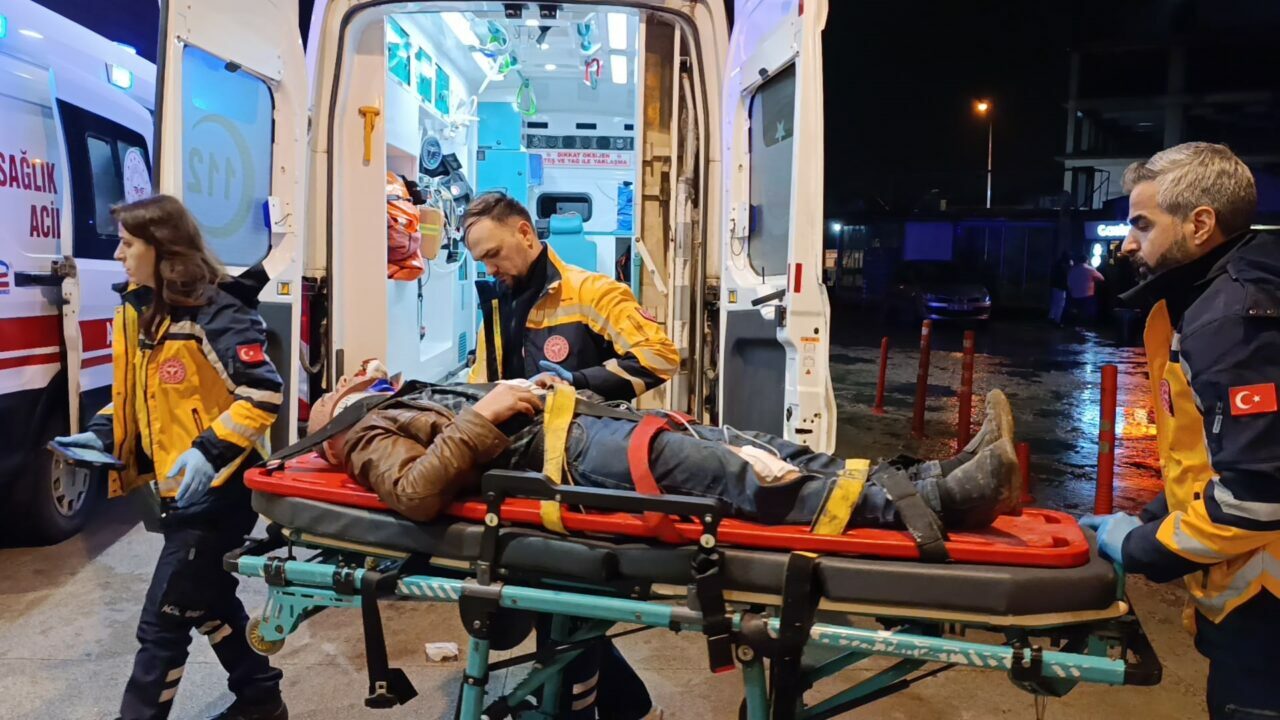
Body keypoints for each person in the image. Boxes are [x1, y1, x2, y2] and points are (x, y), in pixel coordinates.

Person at [55, 195, 287, 720]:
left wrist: (208, 452)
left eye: (128, 244)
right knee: (206, 600)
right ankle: (261, 700)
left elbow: (262, 393)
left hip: (221, 494)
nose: (118, 254)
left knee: (162, 624)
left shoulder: (217, 312)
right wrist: (101, 435)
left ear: (162, 249)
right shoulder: (144, 312)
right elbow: (143, 398)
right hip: (178, 493)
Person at [1080, 142, 1280, 720]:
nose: (1127, 243)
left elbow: (1257, 496)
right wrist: (1151, 514)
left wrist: (1141, 546)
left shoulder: (1233, 319)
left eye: (1142, 224)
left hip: (1268, 623)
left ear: (1199, 224)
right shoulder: (1214, 302)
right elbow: (1216, 456)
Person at [309, 379, 1021, 534]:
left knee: (760, 449)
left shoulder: (403, 397)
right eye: (346, 382)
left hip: (584, 427)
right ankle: (943, 504)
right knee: (736, 476)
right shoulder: (360, 434)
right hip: (568, 461)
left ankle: (930, 476)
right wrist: (485, 413)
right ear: (330, 416)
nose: (364, 373)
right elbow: (415, 493)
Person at [464, 192, 679, 401]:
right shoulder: (496, 308)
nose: (489, 270)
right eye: (482, 261)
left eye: (493, 254)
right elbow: (480, 386)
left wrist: (580, 382)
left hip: (579, 426)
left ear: (525, 234)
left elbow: (660, 356)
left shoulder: (594, 293)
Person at [1065, 252, 1105, 324]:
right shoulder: (1090, 269)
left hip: (1075, 295)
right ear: (1087, 261)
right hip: (1087, 295)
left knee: (1077, 312)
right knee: (1086, 313)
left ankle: (1076, 326)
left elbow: (1068, 282)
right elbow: (1101, 278)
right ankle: (1084, 326)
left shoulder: (1072, 270)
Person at [1048, 252, 1072, 326]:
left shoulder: (1058, 263)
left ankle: (1051, 317)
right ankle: (1057, 320)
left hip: (1055, 286)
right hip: (1061, 287)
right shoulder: (1064, 265)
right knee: (1060, 304)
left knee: (1055, 302)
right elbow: (1066, 275)